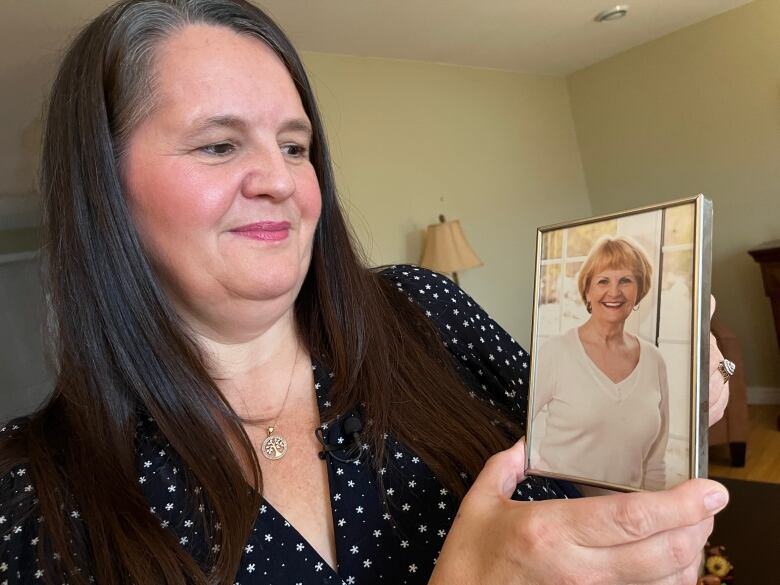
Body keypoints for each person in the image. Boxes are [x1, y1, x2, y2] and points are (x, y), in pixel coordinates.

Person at [0, 1, 731, 584]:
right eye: (219, 144)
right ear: (104, 189)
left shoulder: (425, 311)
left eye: (294, 146)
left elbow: (592, 493)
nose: (281, 181)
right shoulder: (28, 497)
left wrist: (646, 471)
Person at [532, 235, 670, 490]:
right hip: (561, 508)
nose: (614, 292)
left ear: (639, 290)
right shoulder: (556, 352)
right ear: (587, 290)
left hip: (628, 514)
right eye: (603, 281)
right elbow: (516, 426)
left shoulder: (654, 361)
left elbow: (655, 460)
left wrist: (654, 510)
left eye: (625, 280)